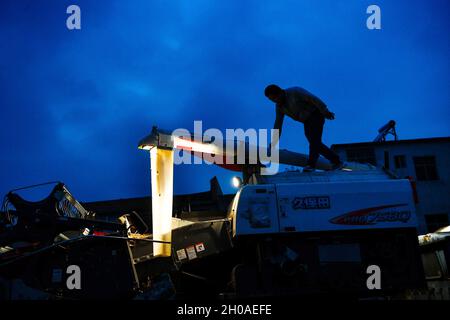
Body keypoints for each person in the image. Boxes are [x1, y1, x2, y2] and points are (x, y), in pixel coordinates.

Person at [264, 84, 344, 172]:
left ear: (280, 93)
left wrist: (325, 111)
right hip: (306, 121)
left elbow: (313, 98)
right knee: (315, 143)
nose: (275, 102)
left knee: (314, 140)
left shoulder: (295, 92)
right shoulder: (279, 107)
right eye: (272, 100)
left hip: (316, 114)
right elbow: (278, 124)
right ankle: (336, 161)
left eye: (275, 98)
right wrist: (274, 141)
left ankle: (311, 164)